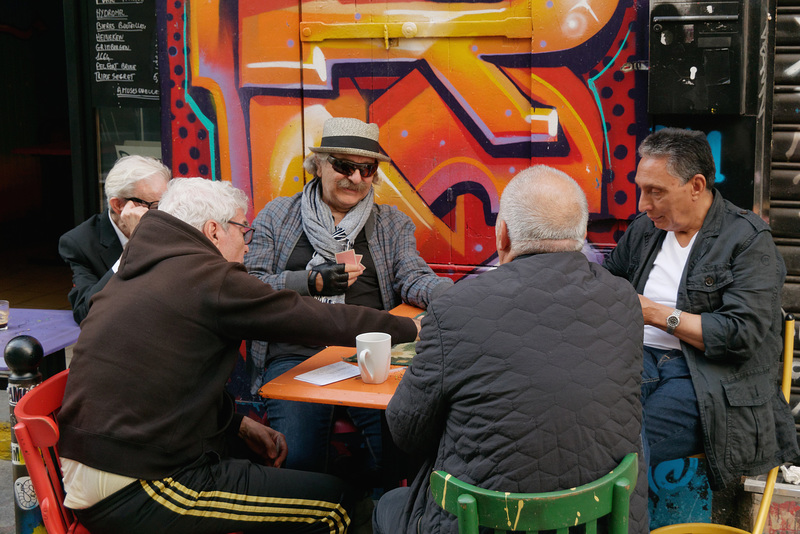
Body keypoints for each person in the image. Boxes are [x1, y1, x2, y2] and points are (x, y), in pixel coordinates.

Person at [57, 177, 419, 534]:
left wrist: (238, 425)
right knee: (341, 505)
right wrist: (410, 330)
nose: (247, 247)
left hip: (111, 464)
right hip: (143, 482)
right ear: (214, 231)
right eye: (243, 232)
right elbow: (311, 317)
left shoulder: (144, 268)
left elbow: (162, 381)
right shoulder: (206, 276)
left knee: (302, 482)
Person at [373, 165, 649, 534]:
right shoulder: (623, 300)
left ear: (502, 233)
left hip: (484, 523)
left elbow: (405, 431)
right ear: (582, 235)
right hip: (598, 521)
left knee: (387, 505)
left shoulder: (456, 308)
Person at [245, 117, 452, 479]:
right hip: (296, 353)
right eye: (344, 165)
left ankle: (381, 515)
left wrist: (454, 298)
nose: (355, 178)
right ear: (318, 165)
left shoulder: (391, 223)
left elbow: (413, 277)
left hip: (367, 350)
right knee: (298, 461)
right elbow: (251, 286)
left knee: (400, 451)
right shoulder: (278, 216)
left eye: (366, 169)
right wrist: (309, 281)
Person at [603, 127, 799, 489]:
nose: (643, 205)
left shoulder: (748, 240)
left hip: (707, 378)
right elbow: (606, 282)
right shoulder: (645, 230)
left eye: (655, 192)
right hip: (638, 359)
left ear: (695, 186)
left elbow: (740, 335)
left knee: (623, 447)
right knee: (584, 423)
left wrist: (657, 314)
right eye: (641, 189)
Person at [58, 155, 171, 323]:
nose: (164, 214)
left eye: (166, 203)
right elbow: (85, 311)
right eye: (154, 206)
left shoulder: (172, 225)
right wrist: (133, 246)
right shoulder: (80, 243)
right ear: (118, 205)